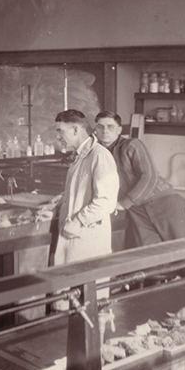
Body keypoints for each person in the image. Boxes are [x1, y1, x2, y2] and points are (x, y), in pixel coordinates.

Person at [94, 111, 185, 248]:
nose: (105, 131)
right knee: (151, 255)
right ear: (95, 130)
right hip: (137, 211)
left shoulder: (132, 145)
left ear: (119, 130)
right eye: (100, 127)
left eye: (110, 127)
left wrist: (124, 203)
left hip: (163, 203)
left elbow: (149, 176)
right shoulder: (98, 153)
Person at [52, 109, 119, 266]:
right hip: (74, 236)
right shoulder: (79, 155)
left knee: (87, 286)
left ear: (76, 130)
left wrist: (78, 222)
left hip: (87, 237)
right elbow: (78, 191)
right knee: (69, 285)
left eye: (60, 131)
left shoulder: (99, 155)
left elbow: (105, 201)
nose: (58, 137)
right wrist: (57, 207)